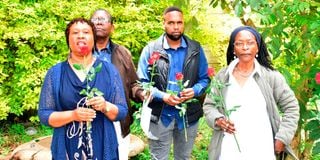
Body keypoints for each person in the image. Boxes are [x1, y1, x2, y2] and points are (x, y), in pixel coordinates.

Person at [203, 26, 299, 160]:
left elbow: (291, 107)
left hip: (262, 149)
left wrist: (282, 138)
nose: (245, 47)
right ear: (233, 49)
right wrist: (218, 120)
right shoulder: (223, 76)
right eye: (239, 43)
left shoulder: (271, 77)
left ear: (258, 47)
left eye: (250, 43)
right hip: (228, 149)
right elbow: (209, 106)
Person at [38, 18, 128, 160]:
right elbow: (44, 115)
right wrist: (73, 115)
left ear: (93, 38)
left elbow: (122, 111)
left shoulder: (109, 70)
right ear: (68, 39)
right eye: (75, 32)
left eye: (86, 32)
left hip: (102, 145)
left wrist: (105, 106)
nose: (81, 36)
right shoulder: (55, 73)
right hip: (67, 147)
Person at [137, 6, 210, 160]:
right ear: (163, 23)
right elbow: (142, 83)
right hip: (160, 115)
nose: (176, 27)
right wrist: (163, 96)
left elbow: (205, 78)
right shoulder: (151, 49)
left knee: (183, 157)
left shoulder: (195, 49)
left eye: (179, 22)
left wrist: (195, 90)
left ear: (183, 23)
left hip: (187, 116)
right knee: (158, 158)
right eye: (171, 23)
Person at [90, 9, 145, 160]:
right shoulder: (80, 53)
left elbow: (133, 84)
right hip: (89, 121)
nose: (99, 22)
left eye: (104, 19)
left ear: (112, 28)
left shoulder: (122, 53)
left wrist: (141, 93)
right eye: (95, 19)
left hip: (117, 120)